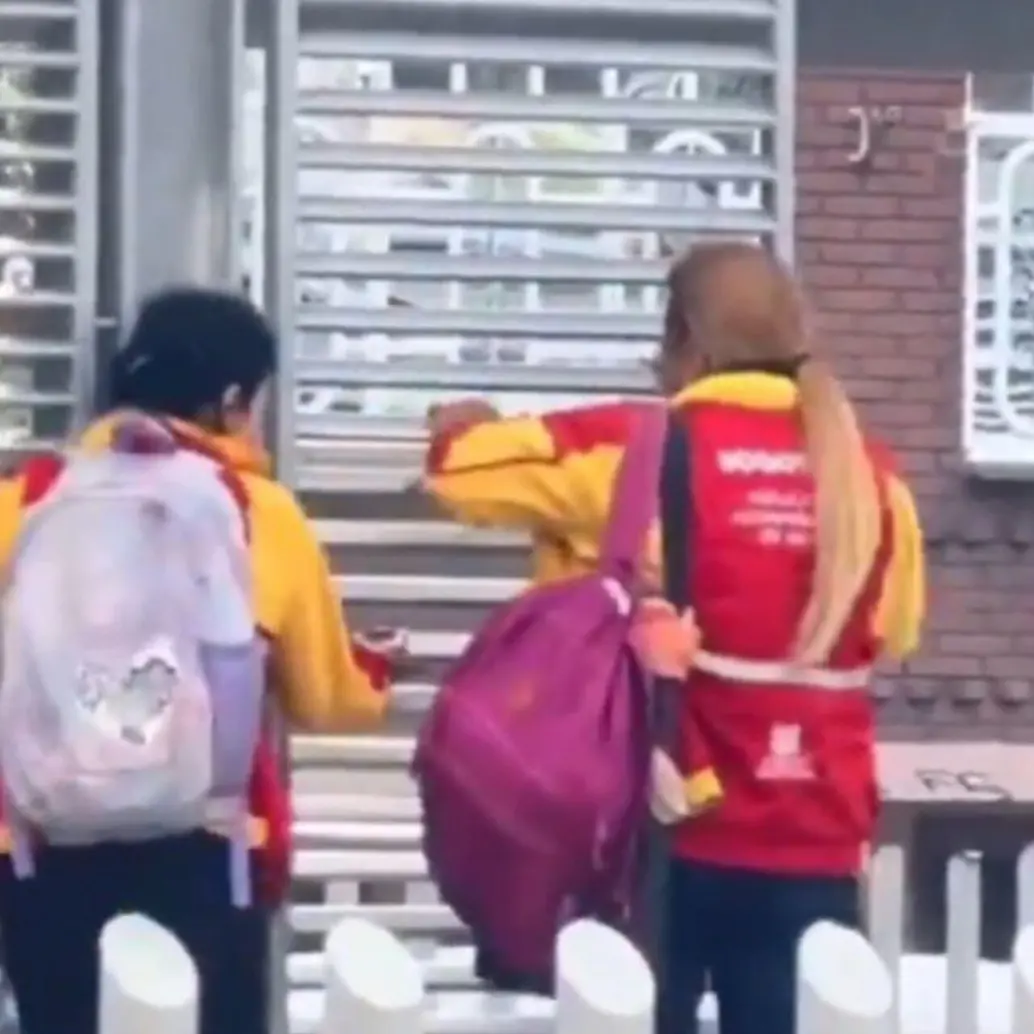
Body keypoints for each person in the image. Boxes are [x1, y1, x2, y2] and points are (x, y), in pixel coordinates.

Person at [422, 242, 925, 1034]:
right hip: (818, 839)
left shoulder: (641, 445)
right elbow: (896, 630)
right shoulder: (873, 476)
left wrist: (468, 427)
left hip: (668, 842)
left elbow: (459, 474)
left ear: (683, 338)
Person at [0, 287, 403, 1034]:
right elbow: (328, 699)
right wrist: (377, 672)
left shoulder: (25, 500)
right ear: (231, 401)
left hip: (40, 848)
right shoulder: (256, 510)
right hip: (207, 851)